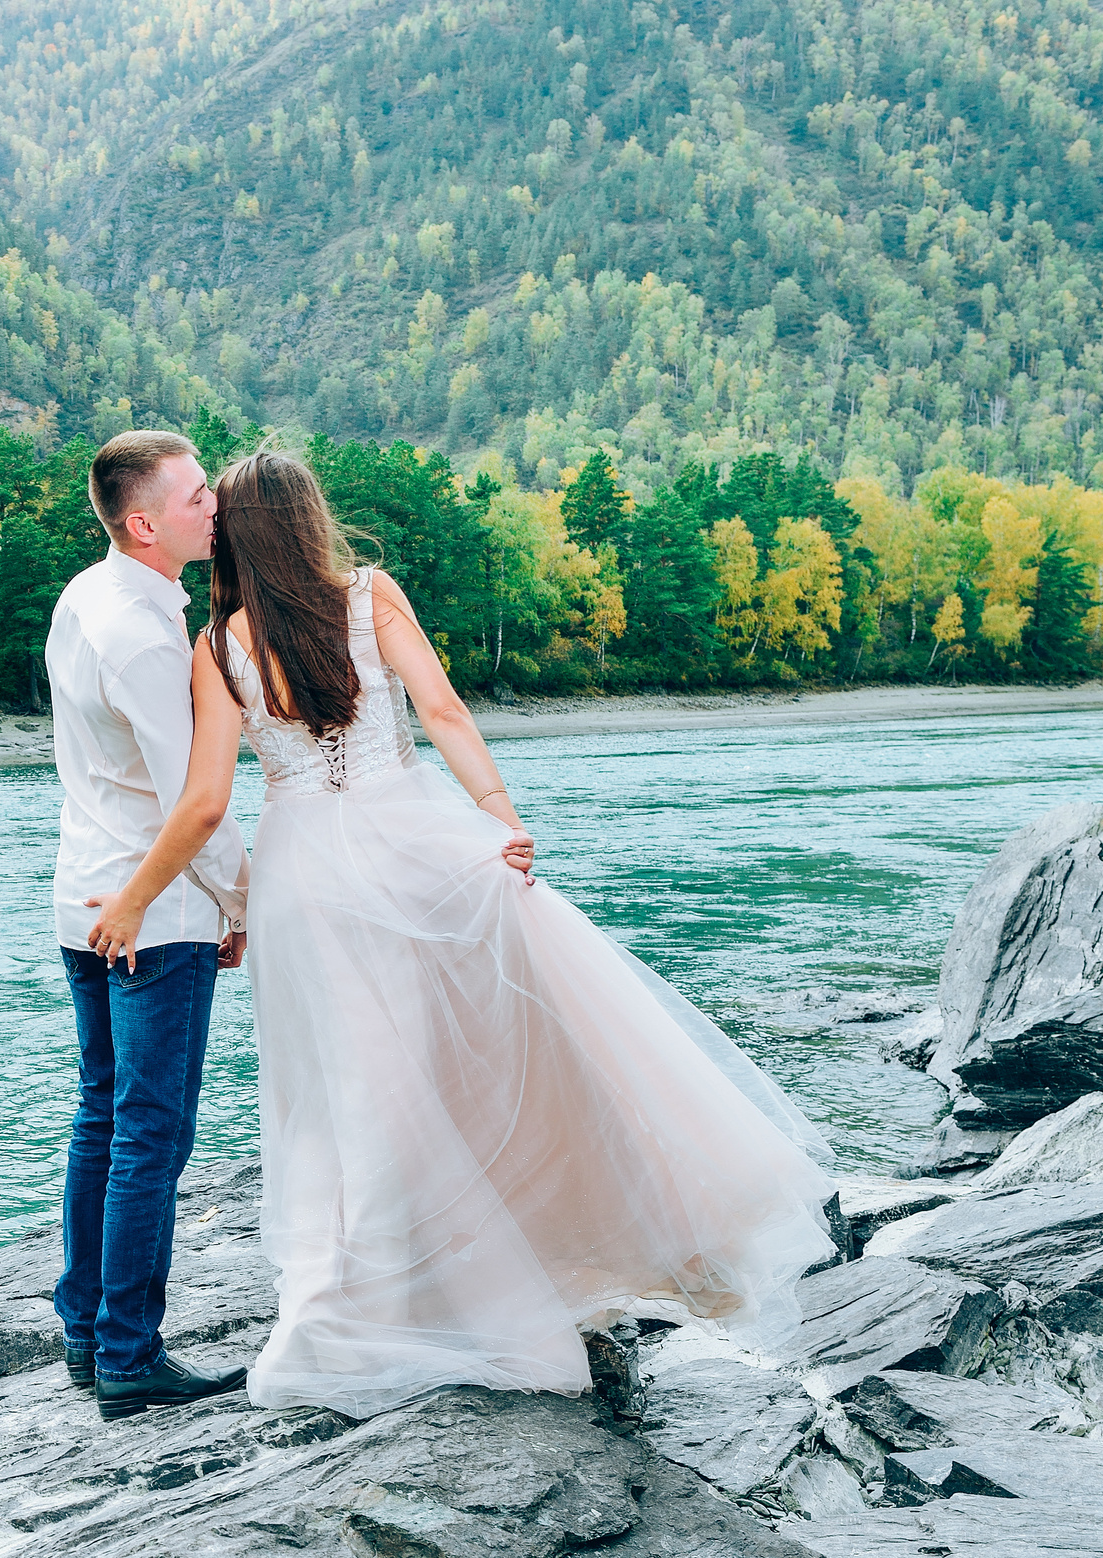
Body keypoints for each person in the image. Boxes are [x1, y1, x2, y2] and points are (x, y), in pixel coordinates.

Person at [84, 447, 835, 1418]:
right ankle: (580, 1243)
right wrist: (498, 818)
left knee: (354, 1094)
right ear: (309, 519)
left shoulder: (217, 647)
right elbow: (440, 710)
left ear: (233, 537)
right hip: (414, 842)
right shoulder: (367, 595)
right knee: (503, 1043)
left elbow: (203, 801)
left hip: (304, 877)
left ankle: (372, 1301)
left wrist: (205, 907)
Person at [45, 430, 254, 1422]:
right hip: (150, 909)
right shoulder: (141, 630)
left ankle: (85, 1333)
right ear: (144, 522)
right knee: (148, 1134)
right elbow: (194, 800)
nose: (213, 505)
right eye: (197, 496)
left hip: (81, 895)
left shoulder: (83, 597)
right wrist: (240, 902)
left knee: (102, 1114)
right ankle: (127, 1349)